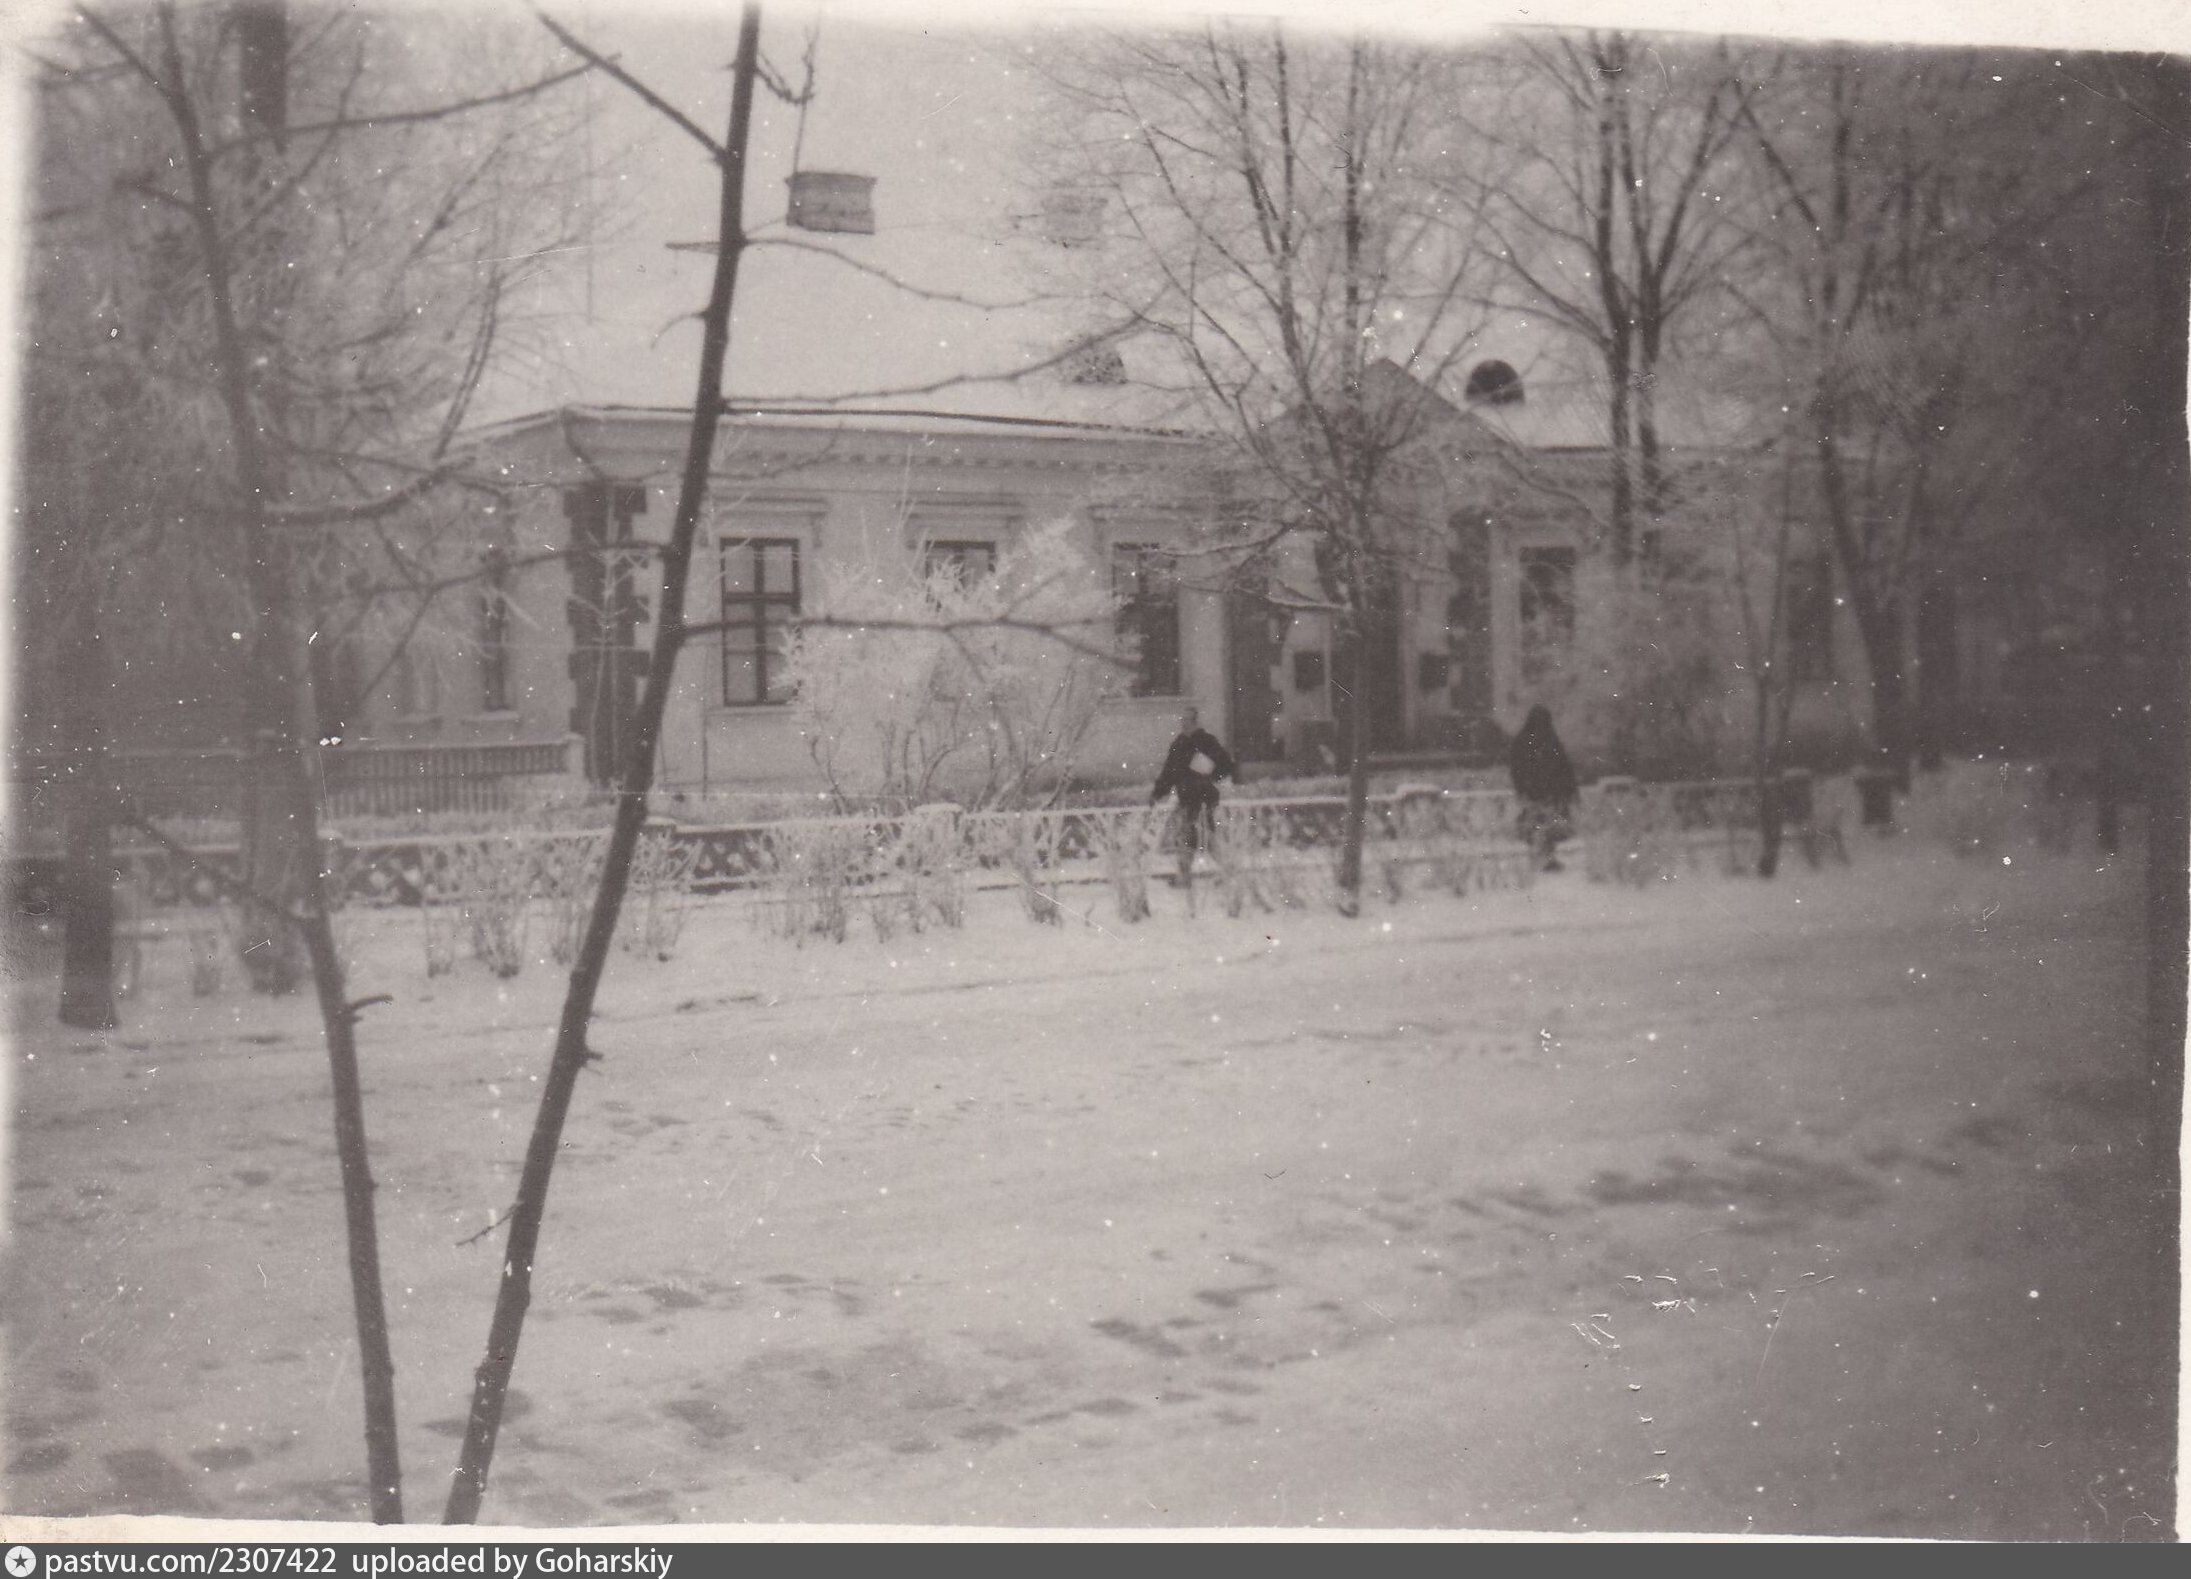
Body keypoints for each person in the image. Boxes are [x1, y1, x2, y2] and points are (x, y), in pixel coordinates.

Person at [1151, 704, 1236, 889]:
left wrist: (1209, 770)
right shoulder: (1178, 744)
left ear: (1195, 721)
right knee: (1191, 838)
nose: (1183, 723)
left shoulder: (1207, 741)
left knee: (1201, 838)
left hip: (1203, 799)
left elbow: (1226, 766)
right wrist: (1158, 792)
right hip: (1187, 798)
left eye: (1187, 720)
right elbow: (1169, 772)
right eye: (1182, 720)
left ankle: (1222, 873)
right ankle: (1196, 876)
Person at [1508, 704, 1577, 871]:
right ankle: (1545, 859)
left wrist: (1523, 788)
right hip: (1546, 794)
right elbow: (1564, 768)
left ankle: (1542, 858)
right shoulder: (1549, 740)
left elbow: (1517, 769)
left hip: (1536, 793)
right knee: (1544, 827)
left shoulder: (1525, 740)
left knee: (1540, 827)